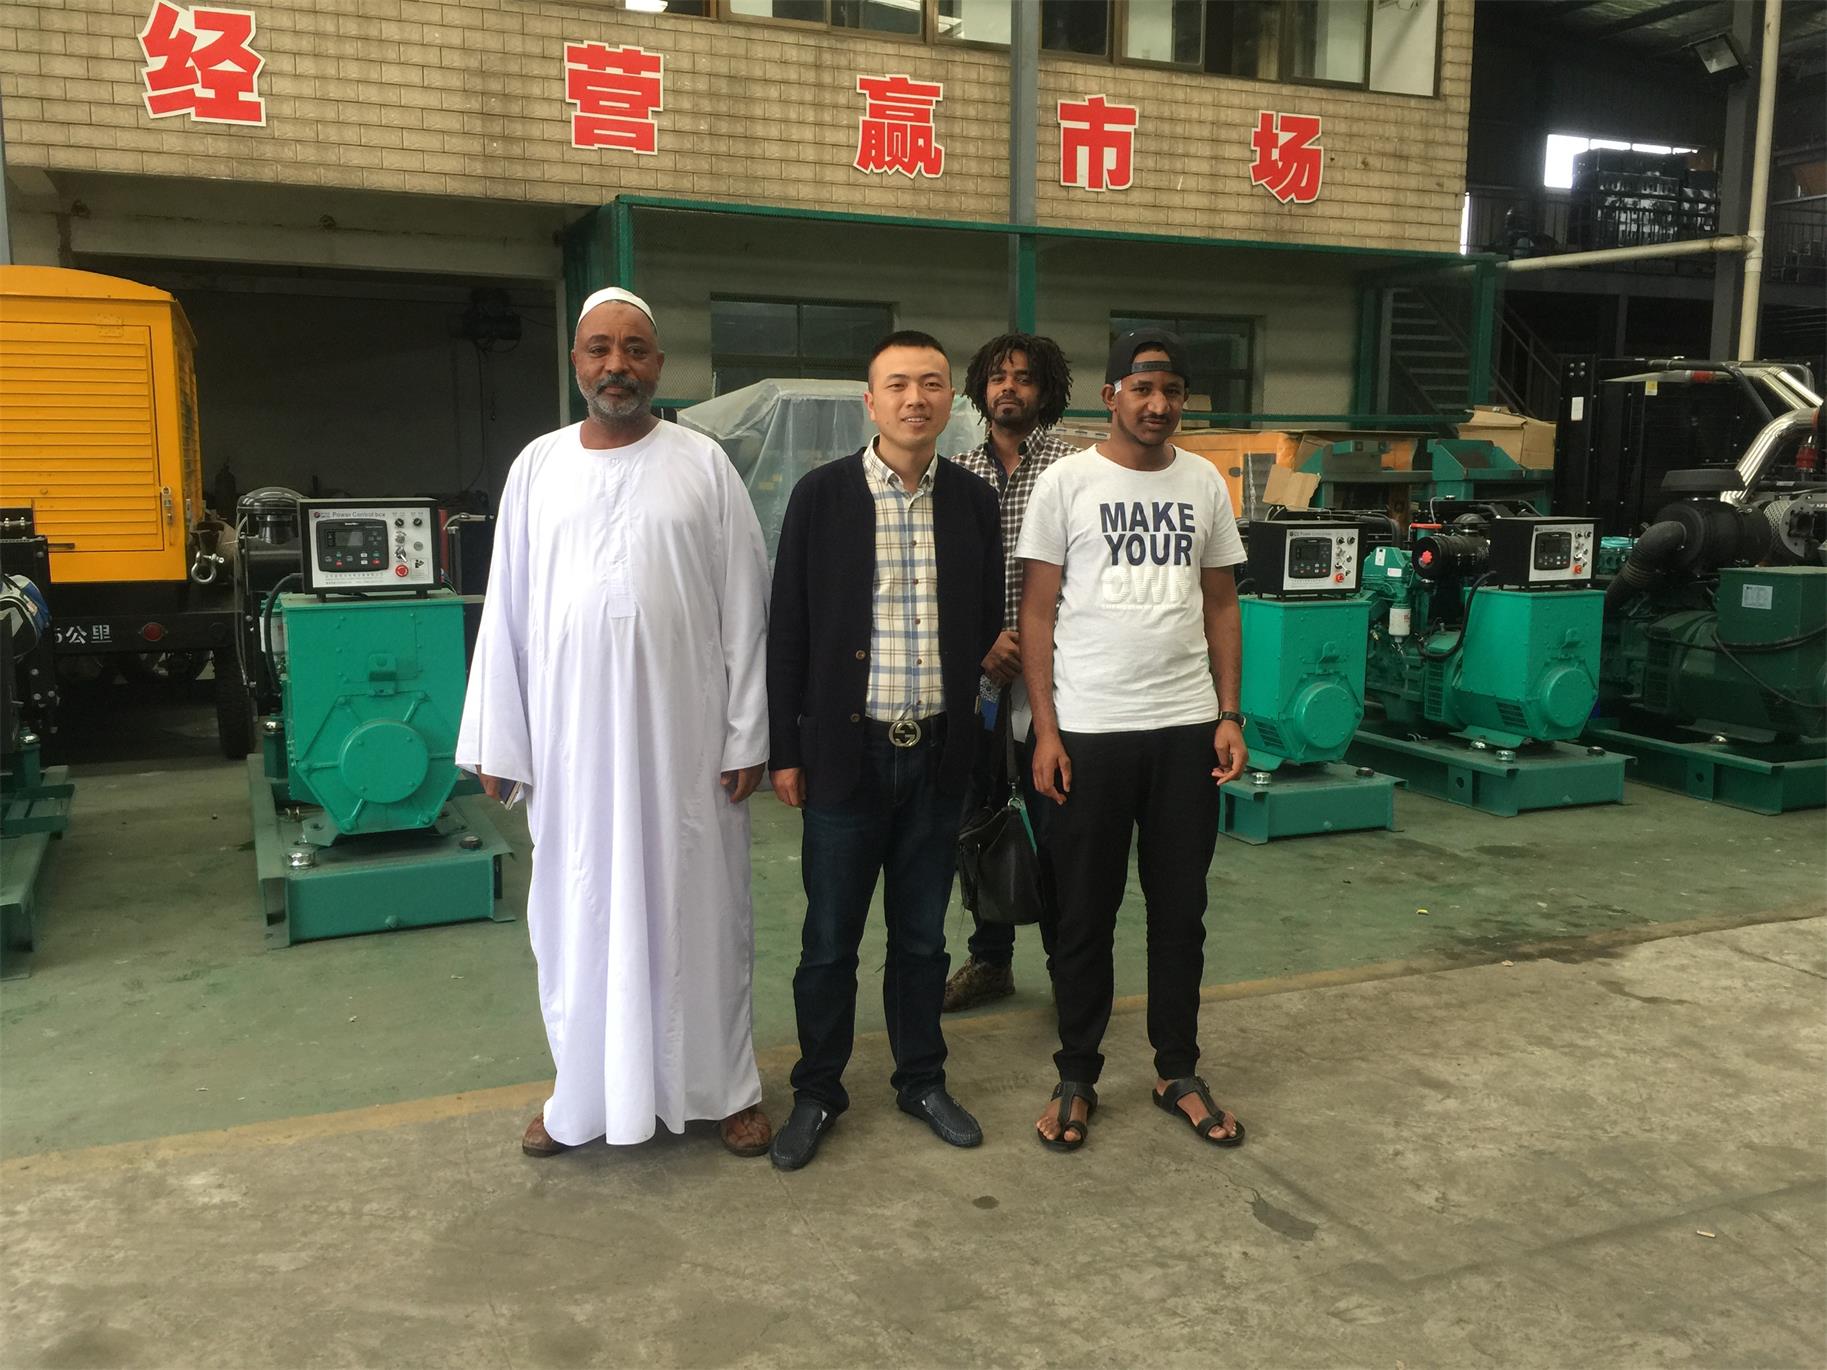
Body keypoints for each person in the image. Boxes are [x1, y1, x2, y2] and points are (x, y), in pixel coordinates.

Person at [457, 286, 774, 1160]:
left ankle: (725, 1089)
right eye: (599, 349)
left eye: (634, 350)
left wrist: (748, 731)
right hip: (573, 749)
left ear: (658, 365)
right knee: (579, 913)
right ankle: (582, 1095)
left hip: (687, 745)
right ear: (576, 363)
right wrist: (500, 737)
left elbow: (745, 606)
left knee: (702, 914)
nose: (616, 366)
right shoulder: (537, 467)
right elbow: (507, 609)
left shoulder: (703, 465)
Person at [765, 330, 1003, 1171]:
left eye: (931, 384)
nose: (915, 399)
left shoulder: (971, 503)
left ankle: (920, 1080)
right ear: (870, 402)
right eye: (897, 384)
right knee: (829, 939)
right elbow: (786, 630)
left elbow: (982, 626)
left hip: (935, 757)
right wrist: (784, 750)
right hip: (846, 756)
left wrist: (975, 744)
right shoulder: (821, 496)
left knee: (922, 940)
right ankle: (817, 1091)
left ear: (949, 401)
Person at [1015, 327, 1251, 1153]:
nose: (1158, 405)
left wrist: (1229, 713)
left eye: (1173, 391)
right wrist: (1045, 731)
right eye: (1143, 388)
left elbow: (1220, 603)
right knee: (1083, 913)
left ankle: (1175, 1069)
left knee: (1179, 913)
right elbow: (1035, 613)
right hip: (1090, 731)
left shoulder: (1204, 481)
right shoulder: (1066, 482)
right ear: (1110, 394)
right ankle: (1076, 1073)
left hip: (1185, 730)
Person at [943, 331, 1077, 1012]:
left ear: (1044, 390)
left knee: (1056, 826)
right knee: (980, 822)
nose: (1008, 388)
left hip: (1055, 686)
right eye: (998, 377)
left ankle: (1066, 967)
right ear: (980, 388)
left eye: (1023, 378)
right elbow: (943, 578)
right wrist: (979, 646)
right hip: (981, 684)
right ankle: (990, 959)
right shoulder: (955, 473)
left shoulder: (1074, 470)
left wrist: (1031, 646)